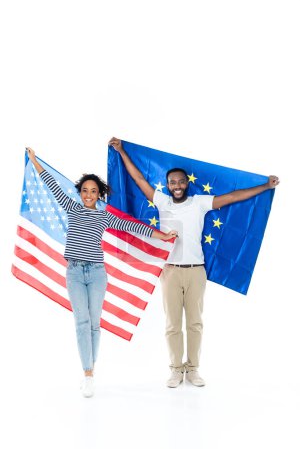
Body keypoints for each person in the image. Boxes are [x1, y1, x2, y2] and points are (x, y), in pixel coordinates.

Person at [108, 137, 280, 388]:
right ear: (167, 186)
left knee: (195, 323)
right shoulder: (162, 201)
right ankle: (176, 370)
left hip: (196, 271)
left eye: (180, 181)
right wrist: (121, 151)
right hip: (169, 271)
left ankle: (193, 369)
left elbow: (233, 197)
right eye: (172, 182)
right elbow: (139, 180)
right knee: (172, 324)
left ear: (187, 183)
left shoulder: (199, 202)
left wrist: (265, 186)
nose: (176, 185)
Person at [26, 147, 177, 397]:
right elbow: (51, 184)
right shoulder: (71, 208)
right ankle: (87, 373)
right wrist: (34, 161)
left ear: (99, 194)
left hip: (97, 273)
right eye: (84, 190)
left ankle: (90, 372)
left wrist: (162, 235)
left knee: (94, 324)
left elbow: (131, 226)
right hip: (74, 272)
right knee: (81, 322)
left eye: (93, 191)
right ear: (80, 192)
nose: (88, 195)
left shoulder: (105, 216)